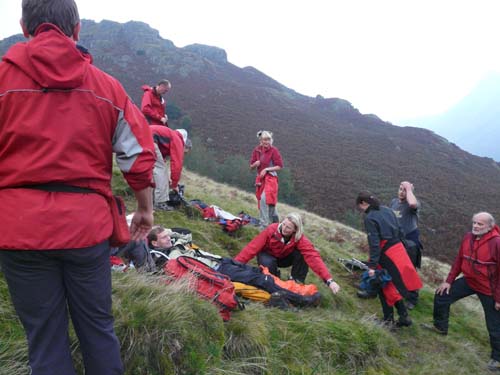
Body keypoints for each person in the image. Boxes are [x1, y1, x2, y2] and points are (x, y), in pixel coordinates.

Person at [0, 1, 156, 374]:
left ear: (24, 26)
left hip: (18, 230)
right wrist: (145, 208)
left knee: (45, 339)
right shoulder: (107, 88)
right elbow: (138, 156)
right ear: (77, 29)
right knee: (98, 330)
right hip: (86, 229)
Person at [427, 212, 500, 372]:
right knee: (442, 295)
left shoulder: (497, 243)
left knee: (494, 324)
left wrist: (498, 298)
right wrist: (449, 281)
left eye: (480, 224)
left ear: (490, 226)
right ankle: (440, 327)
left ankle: (497, 357)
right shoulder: (468, 237)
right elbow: (460, 259)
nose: (475, 226)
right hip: (469, 280)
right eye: (474, 222)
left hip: (489, 288)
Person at [356, 192, 422, 327]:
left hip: (385, 254)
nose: (361, 210)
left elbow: (374, 243)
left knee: (383, 284)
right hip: (399, 249)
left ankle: (388, 321)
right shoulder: (387, 210)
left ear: (363, 203)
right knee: (391, 284)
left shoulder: (370, 218)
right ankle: (404, 317)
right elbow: (400, 230)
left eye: (360, 207)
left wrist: (373, 266)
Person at [234, 213, 340, 294]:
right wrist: (234, 264)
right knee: (269, 266)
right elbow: (252, 248)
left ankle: (296, 281)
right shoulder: (271, 230)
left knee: (303, 254)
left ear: (295, 230)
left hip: (284, 258)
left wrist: (329, 281)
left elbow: (313, 257)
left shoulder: (299, 238)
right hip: (267, 255)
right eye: (283, 224)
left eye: (288, 227)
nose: (284, 228)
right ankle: (273, 278)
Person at [390, 181, 422, 309]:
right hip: (396, 238)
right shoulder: (394, 202)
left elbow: (413, 203)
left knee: (408, 269)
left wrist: (409, 189)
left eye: (405, 190)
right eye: (400, 189)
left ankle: (412, 299)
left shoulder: (413, 203)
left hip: (410, 240)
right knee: (391, 265)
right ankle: (393, 289)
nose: (402, 192)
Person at [150, 126, 192, 211]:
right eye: (185, 152)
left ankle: (149, 198)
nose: (183, 154)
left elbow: (161, 159)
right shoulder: (178, 140)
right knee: (160, 170)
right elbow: (177, 165)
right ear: (185, 146)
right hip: (149, 139)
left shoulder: (171, 136)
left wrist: (168, 178)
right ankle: (160, 203)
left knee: (154, 169)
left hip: (141, 135)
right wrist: (174, 185)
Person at [250, 130, 283, 228]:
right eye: (265, 139)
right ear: (261, 140)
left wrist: (267, 169)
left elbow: (280, 166)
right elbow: (251, 167)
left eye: (269, 139)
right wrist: (255, 164)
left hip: (271, 178)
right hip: (260, 179)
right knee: (267, 201)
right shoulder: (257, 150)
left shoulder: (274, 150)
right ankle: (275, 223)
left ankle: (263, 224)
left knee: (265, 199)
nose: (267, 141)